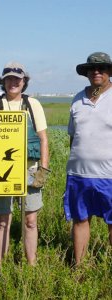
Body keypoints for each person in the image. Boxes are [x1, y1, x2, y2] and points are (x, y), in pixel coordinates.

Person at [0, 62, 50, 268]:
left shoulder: (32, 104)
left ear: (24, 82)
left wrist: (43, 170)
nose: (13, 83)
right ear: (3, 82)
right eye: (9, 79)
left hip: (29, 169)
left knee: (30, 220)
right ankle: (1, 266)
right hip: (0, 171)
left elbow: (43, 139)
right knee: (3, 220)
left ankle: (31, 265)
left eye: (17, 79)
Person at [64, 52, 112, 266]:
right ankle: (79, 267)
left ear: (109, 71)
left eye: (102, 68)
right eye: (92, 69)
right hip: (78, 174)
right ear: (86, 73)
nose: (96, 72)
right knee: (80, 220)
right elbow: (73, 136)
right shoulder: (77, 98)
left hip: (109, 175)